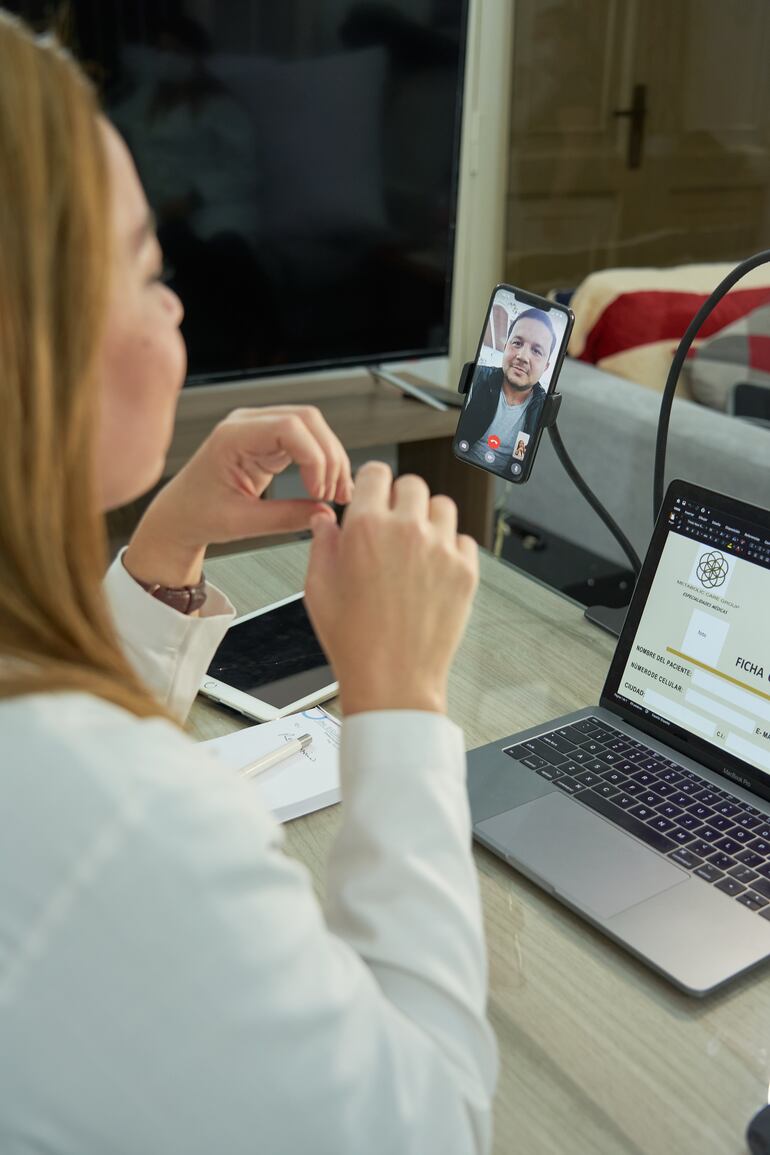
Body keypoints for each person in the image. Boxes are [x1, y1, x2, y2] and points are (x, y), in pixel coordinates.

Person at [0, 11, 497, 1154]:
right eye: (144, 269)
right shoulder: (120, 825)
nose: (175, 305)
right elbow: (426, 1127)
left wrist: (163, 552)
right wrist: (396, 698)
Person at [460, 306, 558, 470]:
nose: (522, 356)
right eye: (517, 343)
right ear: (506, 347)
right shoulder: (478, 377)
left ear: (546, 367)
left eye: (536, 351)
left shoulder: (542, 407)